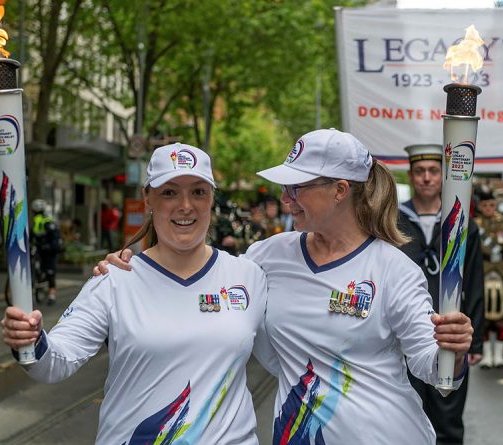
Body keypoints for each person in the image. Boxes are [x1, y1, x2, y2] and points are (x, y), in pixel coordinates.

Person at [95, 129, 475, 444]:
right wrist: (136, 266)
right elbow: (199, 282)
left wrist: (452, 349)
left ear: (340, 190)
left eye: (296, 187)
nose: (284, 199)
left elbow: (433, 369)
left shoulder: (393, 269)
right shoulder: (266, 257)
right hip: (298, 434)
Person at [1, 144, 268, 444]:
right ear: (147, 197)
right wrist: (31, 339)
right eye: (169, 192)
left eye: (198, 192)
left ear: (211, 199)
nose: (185, 205)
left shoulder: (249, 277)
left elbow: (293, 352)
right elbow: (54, 363)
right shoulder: (114, 281)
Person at [397, 144, 484, 444]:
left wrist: (476, 339)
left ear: (444, 176)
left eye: (433, 171)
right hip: (405, 335)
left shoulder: (462, 225)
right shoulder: (393, 222)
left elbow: (474, 282)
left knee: (447, 418)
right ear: (410, 175)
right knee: (404, 415)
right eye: (419, 171)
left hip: (449, 335)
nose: (426, 178)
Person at [474, 185, 503, 369]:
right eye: (485, 205)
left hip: (501, 270)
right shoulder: (475, 225)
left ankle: (498, 355)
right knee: (483, 318)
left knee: (501, 317)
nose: (489, 209)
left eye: (492, 205)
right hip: (482, 270)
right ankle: (486, 355)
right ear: (480, 207)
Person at [31, 199, 61, 305]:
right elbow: (32, 234)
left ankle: (52, 295)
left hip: (49, 250)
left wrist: (51, 246)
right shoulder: (35, 221)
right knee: (35, 266)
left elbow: (54, 236)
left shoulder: (47, 221)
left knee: (50, 272)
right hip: (40, 248)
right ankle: (37, 280)